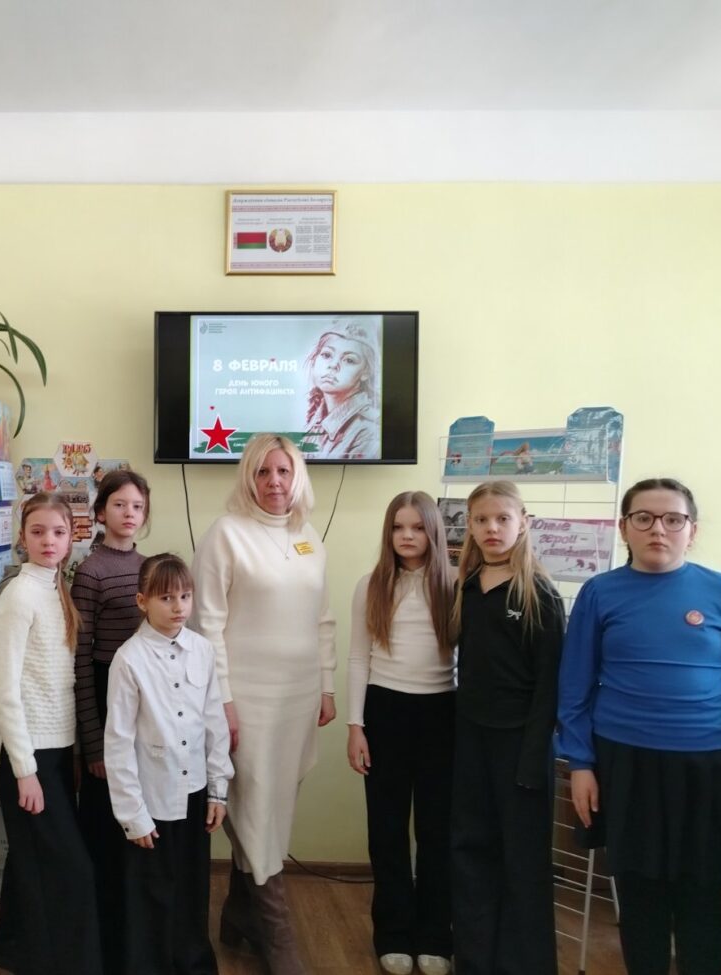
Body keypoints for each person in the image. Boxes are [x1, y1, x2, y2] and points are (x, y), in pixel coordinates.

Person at [557, 477, 721, 975]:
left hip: (711, 769)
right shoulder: (599, 594)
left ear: (692, 530)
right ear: (624, 527)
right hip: (627, 766)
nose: (658, 529)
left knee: (701, 900)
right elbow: (574, 687)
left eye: (672, 519)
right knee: (640, 899)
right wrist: (580, 763)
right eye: (643, 518)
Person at [191, 433, 336, 975]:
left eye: (283, 471)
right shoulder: (225, 534)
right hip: (244, 697)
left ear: (297, 477)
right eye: (262, 472)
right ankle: (277, 935)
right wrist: (221, 701)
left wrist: (327, 685)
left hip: (299, 696)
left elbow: (323, 618)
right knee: (251, 803)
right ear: (247, 477)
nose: (274, 482)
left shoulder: (309, 537)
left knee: (274, 804)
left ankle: (238, 915)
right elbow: (207, 624)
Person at [448, 480, 564, 975]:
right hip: (472, 740)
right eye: (481, 520)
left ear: (523, 523)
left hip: (520, 745)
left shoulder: (539, 594)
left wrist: (533, 758)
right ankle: (475, 959)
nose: (491, 528)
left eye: (502, 518)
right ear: (470, 527)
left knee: (522, 862)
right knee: (470, 852)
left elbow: (550, 685)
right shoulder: (468, 588)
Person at [0, 492, 101, 975]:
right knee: (70, 869)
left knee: (29, 860)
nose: (48, 541)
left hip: (54, 751)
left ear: (71, 538)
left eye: (58, 532)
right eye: (38, 532)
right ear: (23, 537)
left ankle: (12, 949)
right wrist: (25, 771)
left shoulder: (58, 589)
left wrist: (66, 756)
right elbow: (4, 691)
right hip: (26, 754)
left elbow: (59, 683)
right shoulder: (19, 596)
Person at [104, 554, 233, 975]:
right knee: (153, 893)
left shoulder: (202, 649)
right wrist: (133, 815)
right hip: (152, 799)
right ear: (142, 601)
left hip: (194, 792)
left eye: (185, 596)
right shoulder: (129, 659)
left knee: (192, 890)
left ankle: (193, 965)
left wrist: (218, 790)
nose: (178, 606)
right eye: (166, 598)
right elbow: (119, 743)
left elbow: (214, 722)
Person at [346, 491, 457, 975]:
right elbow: (358, 658)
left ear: (433, 532)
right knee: (387, 830)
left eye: (416, 527)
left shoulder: (456, 585)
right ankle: (392, 931)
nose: (406, 536)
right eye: (397, 527)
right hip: (385, 711)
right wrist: (355, 725)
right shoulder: (370, 585)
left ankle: (435, 934)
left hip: (442, 714)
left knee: (437, 830)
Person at [72, 468, 151, 975]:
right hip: (103, 695)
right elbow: (80, 660)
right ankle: (100, 945)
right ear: (101, 512)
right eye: (119, 505)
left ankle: (134, 937)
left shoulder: (149, 569)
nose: (129, 514)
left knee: (138, 819)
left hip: (144, 702)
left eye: (137, 506)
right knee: (104, 827)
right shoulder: (90, 570)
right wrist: (93, 743)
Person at [302, 321, 380, 460]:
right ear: (315, 359)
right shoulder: (315, 420)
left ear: (366, 372)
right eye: (326, 355)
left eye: (349, 360)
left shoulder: (369, 431)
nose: (333, 365)